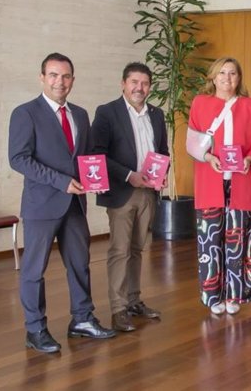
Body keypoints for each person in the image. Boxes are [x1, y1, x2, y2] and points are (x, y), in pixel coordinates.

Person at [8, 53, 115, 354]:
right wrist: (60, 181)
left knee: (80, 264)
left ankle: (81, 319)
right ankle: (35, 329)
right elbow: (18, 159)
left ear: (72, 80)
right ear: (42, 77)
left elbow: (87, 157)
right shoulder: (25, 113)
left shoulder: (80, 114)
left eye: (66, 76)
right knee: (34, 270)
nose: (60, 81)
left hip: (75, 205)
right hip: (42, 205)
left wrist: (95, 179)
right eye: (54, 75)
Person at [91, 62, 169, 332]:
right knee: (120, 250)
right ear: (123, 84)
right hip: (122, 192)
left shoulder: (157, 114)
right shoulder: (107, 112)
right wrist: (128, 175)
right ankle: (118, 308)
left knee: (137, 249)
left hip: (149, 192)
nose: (139, 88)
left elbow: (163, 150)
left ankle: (134, 301)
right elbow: (97, 153)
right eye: (134, 82)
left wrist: (164, 172)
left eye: (145, 83)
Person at [189, 57, 251, 315]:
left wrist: (249, 159)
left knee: (238, 241)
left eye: (233, 73)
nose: (227, 78)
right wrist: (208, 157)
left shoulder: (250, 106)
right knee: (210, 240)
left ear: (239, 78)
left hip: (240, 182)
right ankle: (213, 297)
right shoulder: (200, 103)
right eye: (222, 73)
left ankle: (235, 296)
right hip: (210, 181)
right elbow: (193, 142)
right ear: (213, 76)